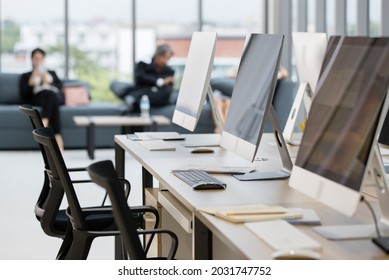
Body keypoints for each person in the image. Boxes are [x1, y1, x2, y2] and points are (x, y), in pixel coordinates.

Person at [19, 48, 65, 150]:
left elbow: (60, 87)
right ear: (32, 60)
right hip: (39, 97)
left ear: (44, 60)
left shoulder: (51, 73)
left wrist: (47, 80)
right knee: (50, 98)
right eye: (36, 58)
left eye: (40, 59)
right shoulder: (25, 76)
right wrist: (32, 78)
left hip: (54, 96)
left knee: (51, 94)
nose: (38, 61)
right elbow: (24, 95)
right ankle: (58, 139)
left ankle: (43, 124)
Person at [122, 44, 175, 113]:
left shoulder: (169, 71)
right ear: (157, 55)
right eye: (163, 57)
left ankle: (135, 100)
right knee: (142, 93)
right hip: (142, 92)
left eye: (168, 58)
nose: (165, 61)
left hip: (157, 97)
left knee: (164, 93)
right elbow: (140, 78)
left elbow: (167, 89)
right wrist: (161, 82)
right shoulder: (143, 65)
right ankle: (134, 101)